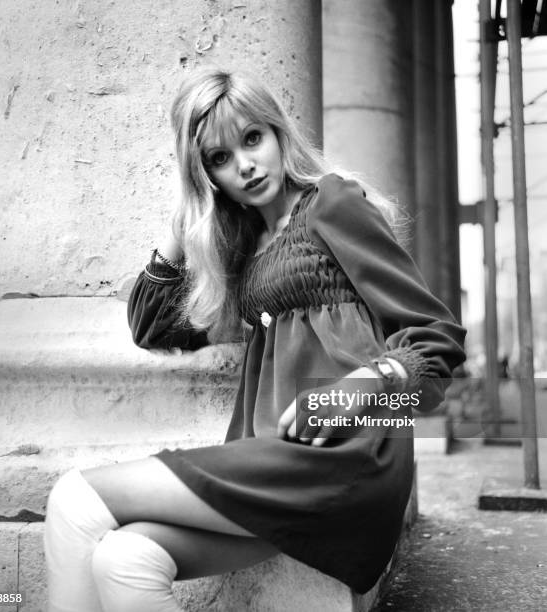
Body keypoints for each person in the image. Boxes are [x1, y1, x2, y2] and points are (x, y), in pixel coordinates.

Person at [44, 68, 467, 611]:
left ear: (278, 134)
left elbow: (439, 342)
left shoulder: (329, 203)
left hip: (343, 458)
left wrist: (362, 385)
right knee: (125, 558)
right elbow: (151, 327)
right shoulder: (243, 250)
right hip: (270, 462)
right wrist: (186, 216)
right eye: (218, 159)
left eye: (252, 138)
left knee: (76, 498)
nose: (244, 165)